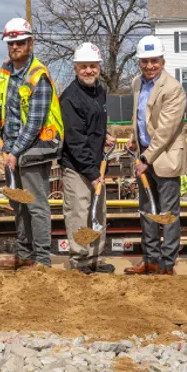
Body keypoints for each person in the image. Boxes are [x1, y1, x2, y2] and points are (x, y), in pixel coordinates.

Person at [0, 17, 65, 270]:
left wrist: (14, 152)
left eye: (20, 42)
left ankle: (41, 259)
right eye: (12, 43)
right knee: (19, 204)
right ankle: (23, 254)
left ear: (30, 43)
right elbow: (10, 105)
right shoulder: (8, 71)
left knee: (35, 204)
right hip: (14, 147)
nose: (15, 47)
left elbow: (34, 122)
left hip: (35, 148)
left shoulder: (38, 75)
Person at [126, 36, 186, 276]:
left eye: (154, 61)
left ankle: (167, 263)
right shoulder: (136, 83)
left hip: (165, 157)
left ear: (162, 60)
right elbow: (140, 117)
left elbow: (165, 131)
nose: (149, 66)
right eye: (145, 61)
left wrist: (145, 158)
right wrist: (135, 137)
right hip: (145, 156)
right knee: (147, 210)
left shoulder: (173, 88)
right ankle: (150, 258)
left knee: (167, 214)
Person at [60, 42, 115, 274]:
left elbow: (94, 126)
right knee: (79, 213)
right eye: (83, 66)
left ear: (99, 67)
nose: (89, 71)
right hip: (77, 167)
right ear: (75, 68)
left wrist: (105, 136)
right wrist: (93, 175)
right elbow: (75, 141)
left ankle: (94, 258)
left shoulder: (100, 92)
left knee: (97, 212)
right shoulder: (70, 98)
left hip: (95, 164)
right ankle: (80, 261)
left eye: (92, 66)